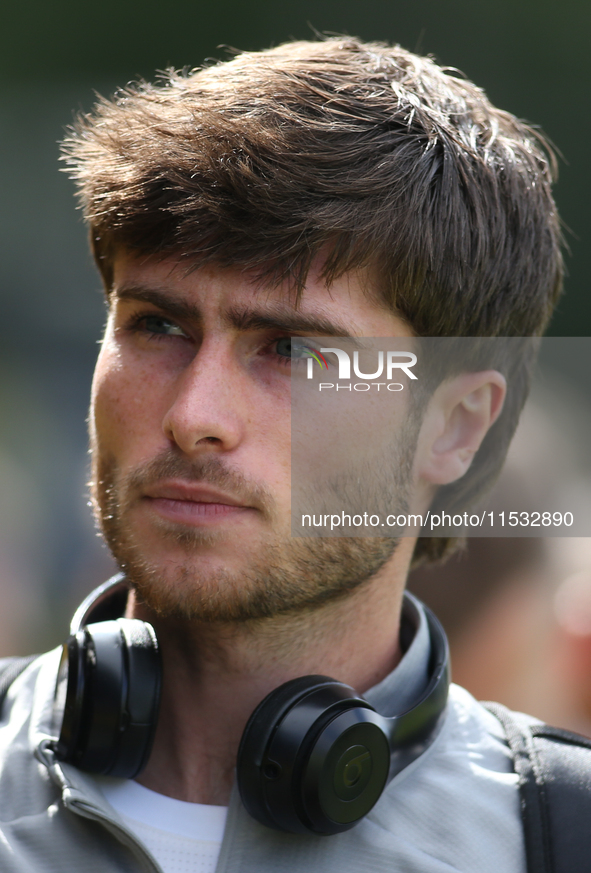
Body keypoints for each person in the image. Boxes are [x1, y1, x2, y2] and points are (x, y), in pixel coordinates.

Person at [0, 36, 574, 873]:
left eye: (293, 352)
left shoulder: (560, 835)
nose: (194, 417)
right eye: (156, 325)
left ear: (455, 427)